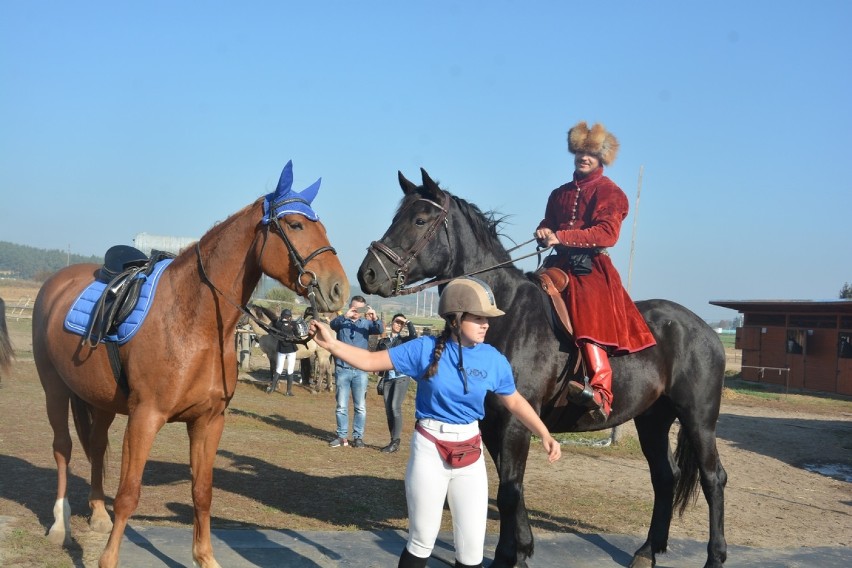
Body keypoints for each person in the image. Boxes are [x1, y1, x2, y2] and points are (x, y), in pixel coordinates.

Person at [310, 277, 561, 568]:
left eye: (487, 319)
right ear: (456, 319)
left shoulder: (493, 359)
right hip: (430, 450)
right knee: (421, 541)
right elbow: (369, 361)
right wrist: (332, 344)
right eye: (478, 318)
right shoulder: (423, 349)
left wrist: (544, 433)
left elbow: (515, 400)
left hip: (470, 455)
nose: (486, 324)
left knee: (471, 551)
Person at [534, 121, 656, 423]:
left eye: (590, 153)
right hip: (558, 263)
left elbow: (607, 234)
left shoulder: (611, 192)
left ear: (601, 157)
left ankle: (601, 390)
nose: (583, 158)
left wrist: (561, 237)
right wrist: (543, 230)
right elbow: (547, 220)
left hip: (591, 268)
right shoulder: (559, 193)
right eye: (579, 152)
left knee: (588, 311)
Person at [328, 295, 384, 448]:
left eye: (360, 308)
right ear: (350, 306)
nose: (356, 311)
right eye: (354, 308)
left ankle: (358, 437)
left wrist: (375, 318)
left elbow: (380, 329)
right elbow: (333, 325)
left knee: (360, 406)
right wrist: (345, 315)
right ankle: (341, 436)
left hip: (360, 371)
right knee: (341, 405)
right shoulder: (342, 322)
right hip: (342, 369)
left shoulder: (366, 324)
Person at [375, 313, 418, 453]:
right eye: (397, 322)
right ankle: (392, 440)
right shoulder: (384, 341)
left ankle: (396, 441)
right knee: (388, 410)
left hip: (401, 377)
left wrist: (408, 321)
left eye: (401, 323)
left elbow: (414, 336)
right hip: (388, 377)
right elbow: (377, 355)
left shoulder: (405, 341)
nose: (398, 325)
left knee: (395, 407)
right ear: (391, 323)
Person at [267, 308, 299, 396]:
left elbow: (271, 331)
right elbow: (297, 335)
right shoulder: (293, 324)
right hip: (291, 349)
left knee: (279, 369)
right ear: (289, 317)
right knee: (290, 369)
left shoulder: (278, 324)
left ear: (282, 316)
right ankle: (288, 391)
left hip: (281, 348)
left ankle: (272, 388)